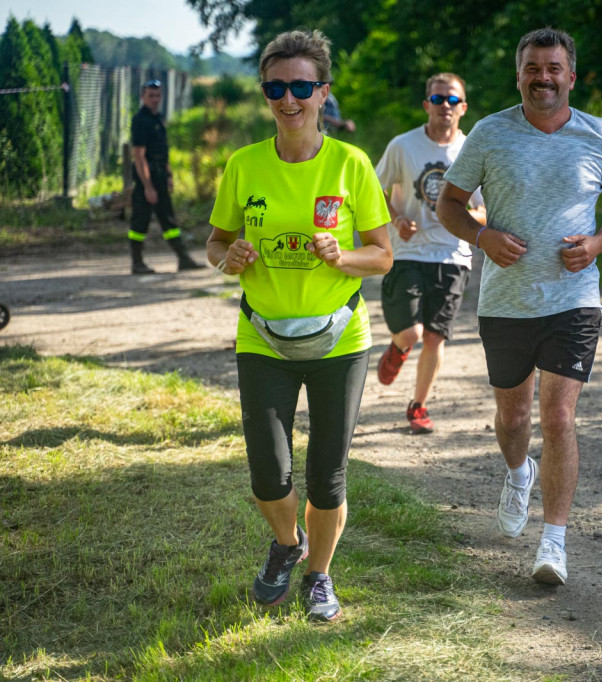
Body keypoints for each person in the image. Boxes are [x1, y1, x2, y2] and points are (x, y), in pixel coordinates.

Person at [437, 28, 602, 585]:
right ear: (519, 74)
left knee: (558, 417)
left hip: (573, 300)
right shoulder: (489, 133)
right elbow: (449, 203)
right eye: (533, 68)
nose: (543, 78)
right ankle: (516, 470)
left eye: (554, 68)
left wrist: (597, 245)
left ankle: (554, 542)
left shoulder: (601, 137)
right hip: (504, 302)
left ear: (571, 77)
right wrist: (482, 239)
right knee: (513, 418)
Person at [205, 29, 392, 621]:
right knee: (268, 474)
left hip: (340, 338)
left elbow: (382, 255)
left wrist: (342, 258)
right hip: (262, 336)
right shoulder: (243, 165)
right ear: (265, 93)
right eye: (277, 88)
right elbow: (216, 242)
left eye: (302, 87)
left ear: (322, 92)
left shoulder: (351, 164)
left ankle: (319, 576)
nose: (290, 100)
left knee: (326, 476)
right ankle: (288, 544)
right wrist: (227, 258)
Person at [374, 72, 486, 434]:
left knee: (436, 336)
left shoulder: (472, 151)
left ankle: (418, 405)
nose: (445, 106)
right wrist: (396, 218)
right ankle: (397, 347)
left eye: (453, 100)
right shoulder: (402, 146)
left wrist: (461, 216)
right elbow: (373, 191)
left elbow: (487, 211)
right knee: (411, 333)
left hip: (453, 255)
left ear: (463, 108)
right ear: (427, 105)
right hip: (407, 252)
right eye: (438, 100)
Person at [128, 79, 203, 274]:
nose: (155, 99)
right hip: (147, 178)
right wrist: (148, 186)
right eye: (151, 95)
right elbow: (139, 155)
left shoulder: (158, 118)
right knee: (140, 222)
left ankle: (183, 259)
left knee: (169, 220)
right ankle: (137, 263)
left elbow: (164, 152)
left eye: (158, 95)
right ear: (143, 97)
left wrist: (169, 175)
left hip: (161, 176)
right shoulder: (141, 121)